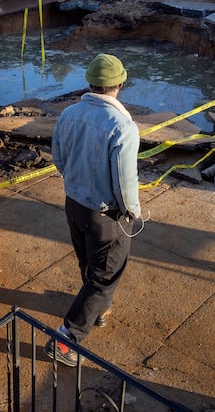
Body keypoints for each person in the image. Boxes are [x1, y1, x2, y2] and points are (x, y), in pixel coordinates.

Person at [47, 53, 142, 367]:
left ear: (89, 82)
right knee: (104, 277)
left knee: (88, 263)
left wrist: (75, 184)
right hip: (105, 215)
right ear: (120, 84)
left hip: (73, 204)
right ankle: (66, 338)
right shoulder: (123, 127)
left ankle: (98, 310)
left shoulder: (70, 113)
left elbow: (59, 157)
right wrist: (132, 212)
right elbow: (125, 181)